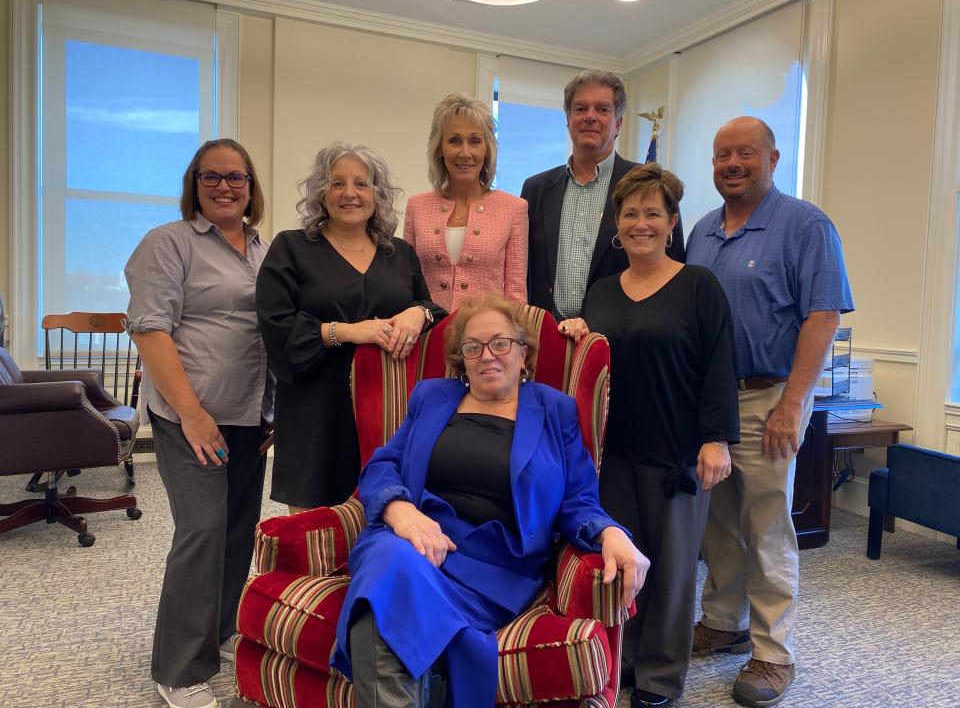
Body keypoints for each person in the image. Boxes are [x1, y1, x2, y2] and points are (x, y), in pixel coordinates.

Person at [329, 294, 649, 708]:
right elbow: (382, 465)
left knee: (382, 598)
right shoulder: (432, 397)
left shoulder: (555, 410)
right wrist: (401, 512)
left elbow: (577, 499)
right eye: (473, 347)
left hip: (495, 565)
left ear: (523, 352)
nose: (487, 355)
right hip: (415, 539)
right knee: (388, 562)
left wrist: (611, 534)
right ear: (461, 359)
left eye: (500, 343)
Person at [686, 117, 854, 707]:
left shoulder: (805, 224)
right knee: (720, 519)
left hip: (768, 395)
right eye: (722, 154)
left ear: (773, 158)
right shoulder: (703, 230)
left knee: (766, 521)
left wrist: (792, 402)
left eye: (745, 153)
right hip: (709, 401)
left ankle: (773, 653)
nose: (733, 163)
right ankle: (723, 622)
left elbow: (824, 315)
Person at [559, 164, 740, 707]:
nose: (641, 223)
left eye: (652, 214)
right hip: (613, 454)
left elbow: (719, 366)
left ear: (671, 222)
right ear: (618, 224)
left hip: (678, 454)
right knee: (620, 564)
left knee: (673, 570)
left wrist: (717, 439)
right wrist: (577, 333)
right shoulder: (602, 291)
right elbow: (596, 364)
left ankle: (661, 678)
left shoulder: (697, 285)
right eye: (630, 214)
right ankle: (626, 659)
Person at [125, 138, 274, 708]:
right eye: (211, 177)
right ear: (194, 184)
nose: (224, 187)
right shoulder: (169, 243)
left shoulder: (263, 249)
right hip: (191, 415)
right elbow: (150, 330)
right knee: (202, 530)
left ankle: (218, 635)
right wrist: (192, 414)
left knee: (239, 530)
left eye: (235, 177)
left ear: (250, 186)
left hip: (249, 414)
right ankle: (179, 668)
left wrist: (275, 407)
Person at [256, 142, 445, 513]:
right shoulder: (291, 248)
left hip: (389, 414)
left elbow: (435, 316)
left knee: (389, 522)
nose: (349, 193)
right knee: (319, 535)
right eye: (336, 183)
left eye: (361, 183)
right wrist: (343, 331)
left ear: (378, 194)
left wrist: (419, 313)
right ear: (320, 193)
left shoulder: (400, 253)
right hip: (316, 414)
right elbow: (276, 327)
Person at [522, 69, 685, 320]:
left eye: (602, 109)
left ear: (618, 123)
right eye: (580, 109)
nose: (590, 117)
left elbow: (672, 269)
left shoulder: (647, 185)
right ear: (568, 120)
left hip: (621, 335)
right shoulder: (535, 189)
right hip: (547, 341)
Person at [403, 93, 528, 312]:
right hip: (427, 336)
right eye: (454, 141)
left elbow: (516, 295)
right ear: (439, 148)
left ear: (487, 149)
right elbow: (406, 284)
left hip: (486, 340)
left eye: (475, 141)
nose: (465, 152)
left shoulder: (514, 209)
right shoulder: (416, 207)